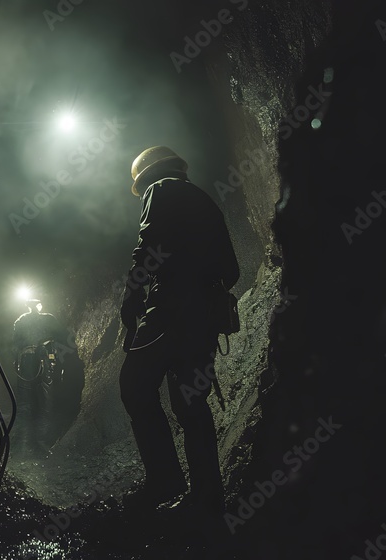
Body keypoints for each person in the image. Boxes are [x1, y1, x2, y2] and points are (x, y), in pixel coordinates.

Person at [117, 146, 240, 527]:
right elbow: (231, 269)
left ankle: (165, 481)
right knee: (190, 405)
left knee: (135, 386)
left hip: (171, 308)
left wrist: (132, 298)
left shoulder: (161, 189)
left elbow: (150, 246)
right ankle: (207, 498)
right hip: (204, 316)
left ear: (144, 178)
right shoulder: (204, 200)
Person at [11, 299, 71, 457]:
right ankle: (37, 444)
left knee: (32, 402)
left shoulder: (23, 320)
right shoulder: (43, 319)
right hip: (40, 362)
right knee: (42, 401)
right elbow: (63, 337)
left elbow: (15, 345)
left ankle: (28, 445)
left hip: (33, 362)